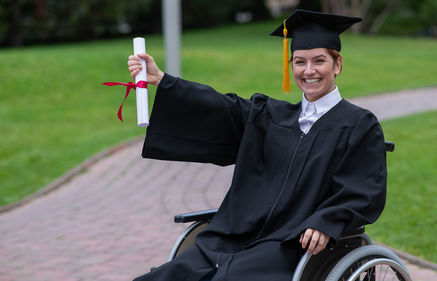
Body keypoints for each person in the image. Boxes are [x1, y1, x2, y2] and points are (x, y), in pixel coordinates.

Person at [128, 9, 387, 281]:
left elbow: (362, 190)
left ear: (337, 64)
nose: (309, 71)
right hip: (235, 236)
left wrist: (326, 221)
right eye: (299, 62)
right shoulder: (271, 116)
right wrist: (164, 80)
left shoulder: (359, 125)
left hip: (291, 246)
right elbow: (221, 107)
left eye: (319, 61)